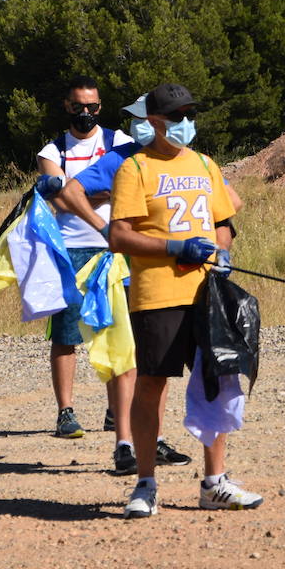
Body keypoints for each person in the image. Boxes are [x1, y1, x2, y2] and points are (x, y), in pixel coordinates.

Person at [108, 82, 262, 519]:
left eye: (190, 114)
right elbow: (118, 236)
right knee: (152, 384)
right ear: (153, 122)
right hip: (157, 293)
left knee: (217, 378)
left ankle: (215, 483)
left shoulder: (206, 164)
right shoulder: (134, 169)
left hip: (207, 292)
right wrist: (175, 248)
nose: (185, 123)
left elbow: (223, 221)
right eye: (176, 116)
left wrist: (222, 250)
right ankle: (145, 483)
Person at [50, 93, 195, 474]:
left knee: (156, 364)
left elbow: (226, 198)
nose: (136, 125)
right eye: (133, 119)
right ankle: (125, 445)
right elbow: (69, 192)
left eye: (141, 118)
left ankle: (154, 439)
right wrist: (106, 228)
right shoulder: (122, 157)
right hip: (121, 269)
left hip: (165, 273)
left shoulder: (186, 158)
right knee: (123, 356)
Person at [34, 77, 133, 450]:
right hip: (69, 249)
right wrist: (96, 192)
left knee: (112, 329)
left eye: (92, 107)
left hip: (113, 249)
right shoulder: (52, 150)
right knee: (66, 334)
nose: (85, 113)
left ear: (100, 107)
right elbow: (57, 201)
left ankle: (114, 410)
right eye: (78, 106)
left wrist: (76, 191)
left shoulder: (119, 142)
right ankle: (66, 411)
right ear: (66, 106)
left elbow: (123, 189)